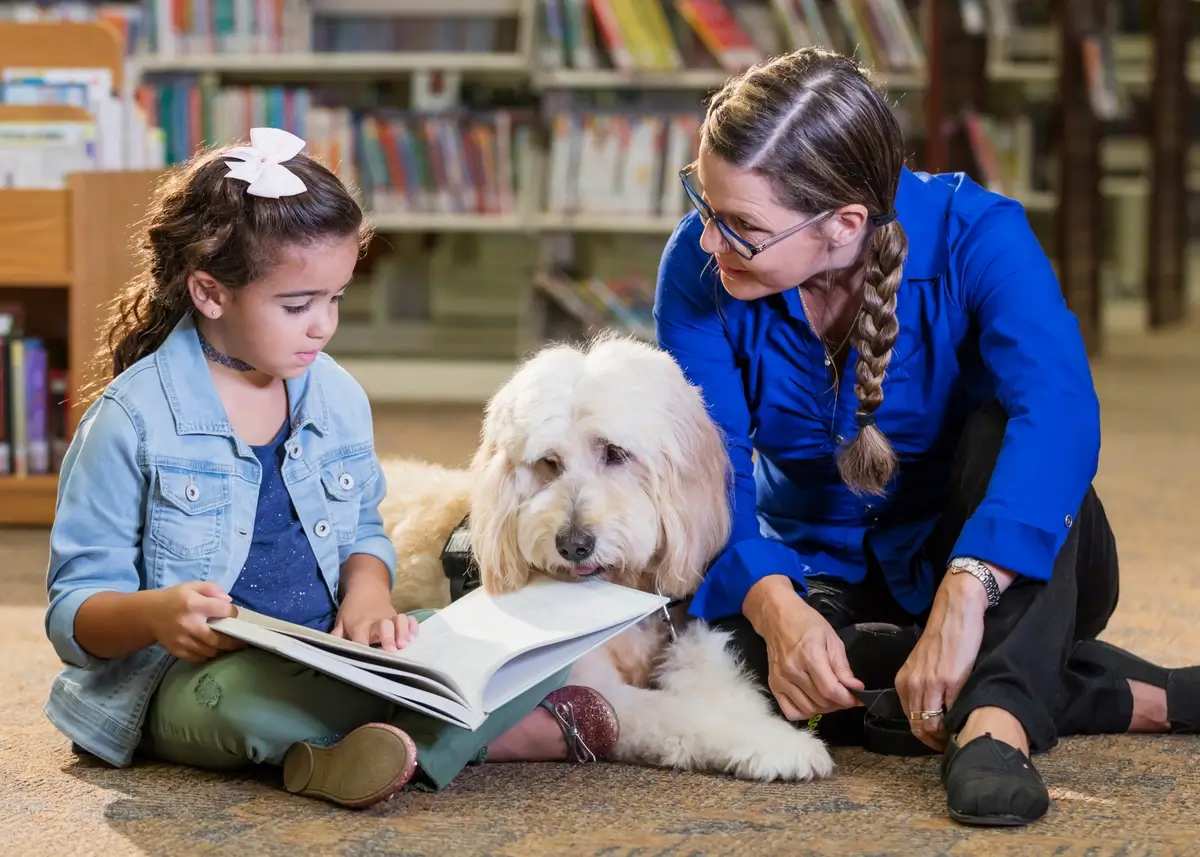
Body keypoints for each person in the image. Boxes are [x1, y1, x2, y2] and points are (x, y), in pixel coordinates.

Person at [654, 48, 1199, 827]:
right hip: (816, 564)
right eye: (705, 207)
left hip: (1001, 558)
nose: (710, 242)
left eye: (740, 227)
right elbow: (709, 465)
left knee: (1002, 426)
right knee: (715, 664)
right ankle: (1137, 695)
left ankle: (994, 724)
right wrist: (777, 608)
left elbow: (1061, 416)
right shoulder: (698, 267)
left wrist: (967, 588)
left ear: (844, 224)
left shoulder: (983, 235)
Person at [43, 127, 619, 810]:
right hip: (190, 681)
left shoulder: (335, 393)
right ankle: (475, 739)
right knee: (244, 708)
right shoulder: (130, 419)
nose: (323, 325)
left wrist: (370, 592)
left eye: (336, 298)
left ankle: (350, 756)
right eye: (297, 306)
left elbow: (362, 533)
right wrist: (155, 613)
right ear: (209, 292)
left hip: (331, 654)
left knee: (516, 633)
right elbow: (72, 615)